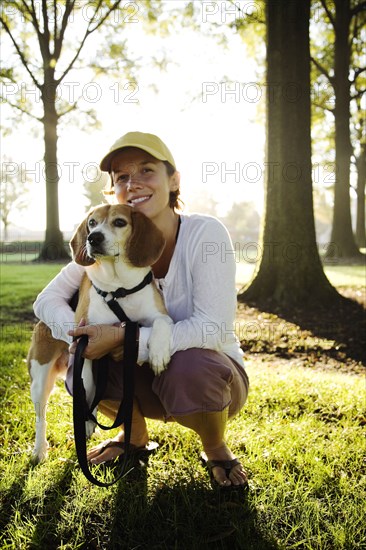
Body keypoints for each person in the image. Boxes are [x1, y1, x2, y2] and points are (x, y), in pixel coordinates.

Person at [33, 131, 249, 488]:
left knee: (192, 364)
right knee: (79, 371)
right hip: (140, 378)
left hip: (208, 378)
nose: (133, 184)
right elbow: (46, 301)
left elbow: (213, 328)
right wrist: (81, 336)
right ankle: (132, 437)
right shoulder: (101, 244)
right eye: (122, 177)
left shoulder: (205, 234)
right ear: (114, 190)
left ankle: (216, 448)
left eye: (147, 170)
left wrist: (124, 338)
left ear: (174, 180)